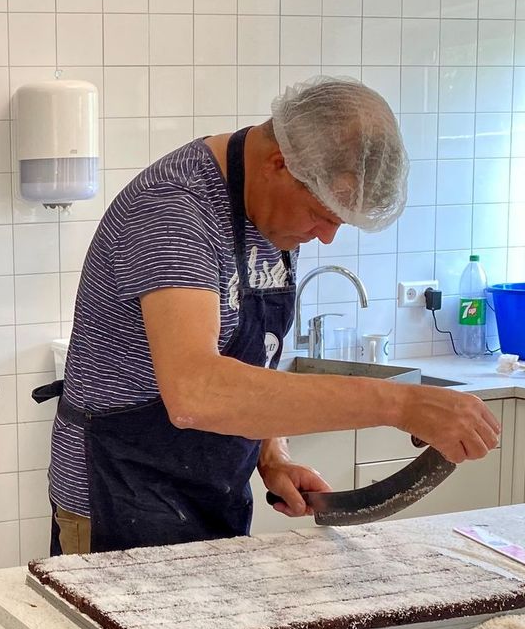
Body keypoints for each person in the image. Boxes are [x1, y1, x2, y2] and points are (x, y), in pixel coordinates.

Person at [34, 76, 500, 555]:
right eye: (324, 216)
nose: (326, 238)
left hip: (211, 503)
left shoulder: (270, 215)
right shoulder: (175, 209)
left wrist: (270, 451)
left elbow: (250, 356)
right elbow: (197, 390)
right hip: (117, 504)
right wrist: (401, 404)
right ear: (280, 164)